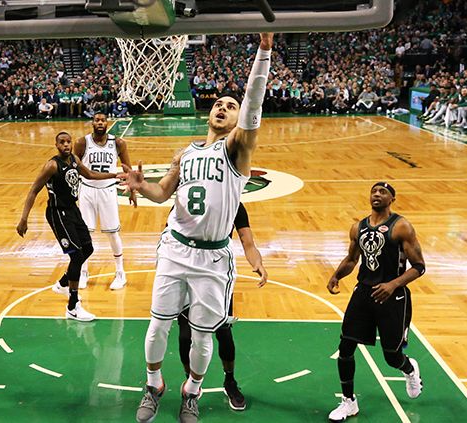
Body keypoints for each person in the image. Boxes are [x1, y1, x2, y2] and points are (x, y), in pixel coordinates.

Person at [122, 32, 275, 423]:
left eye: (231, 106)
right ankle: (154, 384)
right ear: (210, 114)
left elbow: (254, 102)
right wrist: (143, 187)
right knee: (158, 326)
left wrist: (264, 52)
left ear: (240, 120)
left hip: (212, 257)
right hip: (175, 248)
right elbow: (162, 194)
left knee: (204, 335)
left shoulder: (237, 149)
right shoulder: (185, 152)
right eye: (220, 104)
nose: (224, 108)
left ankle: (192, 391)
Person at [326, 182, 425, 422]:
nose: (377, 195)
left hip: (393, 298)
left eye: (383, 192)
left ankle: (409, 369)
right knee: (346, 347)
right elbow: (352, 259)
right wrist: (337, 275)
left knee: (391, 356)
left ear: (392, 199)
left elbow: (419, 267)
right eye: (374, 191)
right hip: (364, 294)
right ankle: (348, 402)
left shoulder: (401, 227)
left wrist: (393, 284)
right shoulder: (358, 227)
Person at [16, 132, 120, 321]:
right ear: (56, 145)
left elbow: (90, 174)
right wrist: (24, 219)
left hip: (72, 210)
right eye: (62, 142)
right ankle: (73, 306)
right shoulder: (52, 165)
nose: (66, 145)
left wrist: (115, 174)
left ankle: (64, 283)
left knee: (88, 248)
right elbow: (33, 191)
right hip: (58, 213)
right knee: (77, 255)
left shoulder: (74, 159)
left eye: (68, 141)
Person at [176, 202, 267, 412]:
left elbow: (248, 242)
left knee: (223, 333)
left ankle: (230, 381)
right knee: (185, 336)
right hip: (186, 273)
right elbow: (169, 237)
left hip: (217, 275)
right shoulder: (186, 199)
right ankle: (190, 386)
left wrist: (257, 263)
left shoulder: (233, 203)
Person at [73, 112, 136, 290]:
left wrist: (132, 189)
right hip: (87, 190)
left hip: (108, 191)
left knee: (112, 233)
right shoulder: (81, 142)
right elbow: (74, 166)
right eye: (97, 120)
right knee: (85, 234)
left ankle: (120, 273)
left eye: (103, 120)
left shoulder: (118, 143)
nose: (100, 122)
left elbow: (127, 168)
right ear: (92, 123)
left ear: (107, 123)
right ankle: (83, 271)